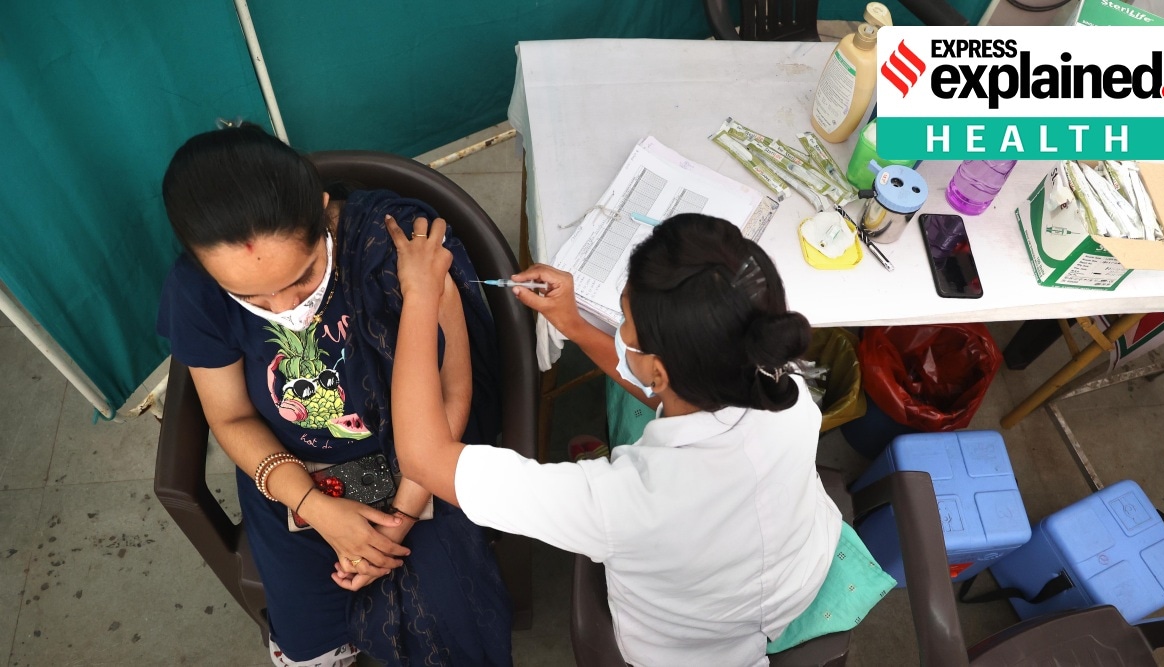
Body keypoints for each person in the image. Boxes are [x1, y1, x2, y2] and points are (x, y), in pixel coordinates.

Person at [387, 212, 890, 666]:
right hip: (796, 572)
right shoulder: (783, 388)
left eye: (623, 318)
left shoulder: (623, 501)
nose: (620, 326)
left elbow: (423, 455)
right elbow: (676, 388)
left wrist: (421, 294)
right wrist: (575, 326)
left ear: (660, 368)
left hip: (692, 649)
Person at [157, 123, 511, 666]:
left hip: (423, 457)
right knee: (311, 642)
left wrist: (398, 520)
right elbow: (230, 418)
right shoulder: (196, 291)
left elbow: (451, 394)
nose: (283, 309)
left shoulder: (401, 251)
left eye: (302, 279)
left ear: (322, 211)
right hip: (290, 470)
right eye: (249, 295)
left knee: (452, 628)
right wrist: (313, 506)